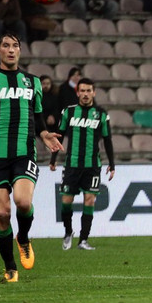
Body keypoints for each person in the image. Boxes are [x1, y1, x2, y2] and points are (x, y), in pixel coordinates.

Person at [0, 32, 63, 283]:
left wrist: (45, 134)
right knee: (3, 213)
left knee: (23, 203)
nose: (11, 50)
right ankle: (10, 267)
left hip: (24, 153)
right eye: (5, 45)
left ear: (19, 50)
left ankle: (23, 238)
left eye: (15, 45)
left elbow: (37, 117)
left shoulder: (32, 82)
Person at [49, 78, 115, 251]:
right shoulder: (69, 112)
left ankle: (83, 240)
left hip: (92, 165)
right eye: (82, 91)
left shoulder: (101, 114)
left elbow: (107, 140)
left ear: (94, 93)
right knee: (66, 200)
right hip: (72, 164)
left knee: (89, 200)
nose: (85, 94)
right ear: (77, 92)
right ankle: (68, 231)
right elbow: (59, 135)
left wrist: (112, 164)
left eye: (89, 91)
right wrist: (53, 158)